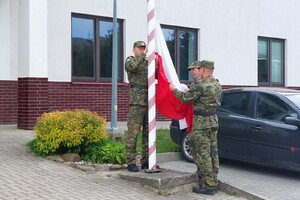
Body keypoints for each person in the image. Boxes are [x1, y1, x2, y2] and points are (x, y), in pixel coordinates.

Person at [169, 60, 222, 195]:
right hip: (213, 120)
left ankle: (208, 186)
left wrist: (174, 90)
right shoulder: (216, 83)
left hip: (202, 122)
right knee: (212, 153)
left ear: (203, 69)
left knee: (203, 154)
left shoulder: (201, 85)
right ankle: (213, 181)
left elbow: (186, 98)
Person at [124, 41, 150, 172]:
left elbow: (156, 74)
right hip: (136, 102)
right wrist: (142, 56)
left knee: (148, 133)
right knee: (133, 133)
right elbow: (132, 67)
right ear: (134, 50)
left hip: (149, 101)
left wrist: (156, 63)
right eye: (139, 49)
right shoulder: (130, 61)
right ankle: (131, 162)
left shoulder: (147, 63)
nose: (142, 51)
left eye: (143, 48)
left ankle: (146, 160)